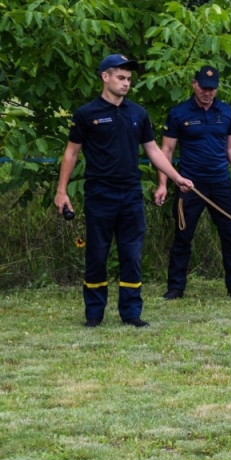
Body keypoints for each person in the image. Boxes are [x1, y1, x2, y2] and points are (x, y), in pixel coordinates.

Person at [54, 54, 194, 328]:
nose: (126, 83)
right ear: (105, 77)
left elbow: (153, 150)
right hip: (100, 194)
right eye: (121, 77)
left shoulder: (137, 114)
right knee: (96, 254)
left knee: (131, 254)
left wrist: (177, 177)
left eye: (129, 79)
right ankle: (94, 313)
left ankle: (131, 312)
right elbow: (71, 154)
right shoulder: (86, 114)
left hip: (130, 195)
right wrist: (62, 191)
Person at [155, 65, 231, 302]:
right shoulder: (179, 113)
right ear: (194, 84)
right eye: (203, 87)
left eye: (212, 89)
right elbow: (166, 150)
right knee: (183, 236)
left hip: (221, 183)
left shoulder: (225, 112)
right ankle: (176, 287)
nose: (207, 92)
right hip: (189, 185)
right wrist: (163, 184)